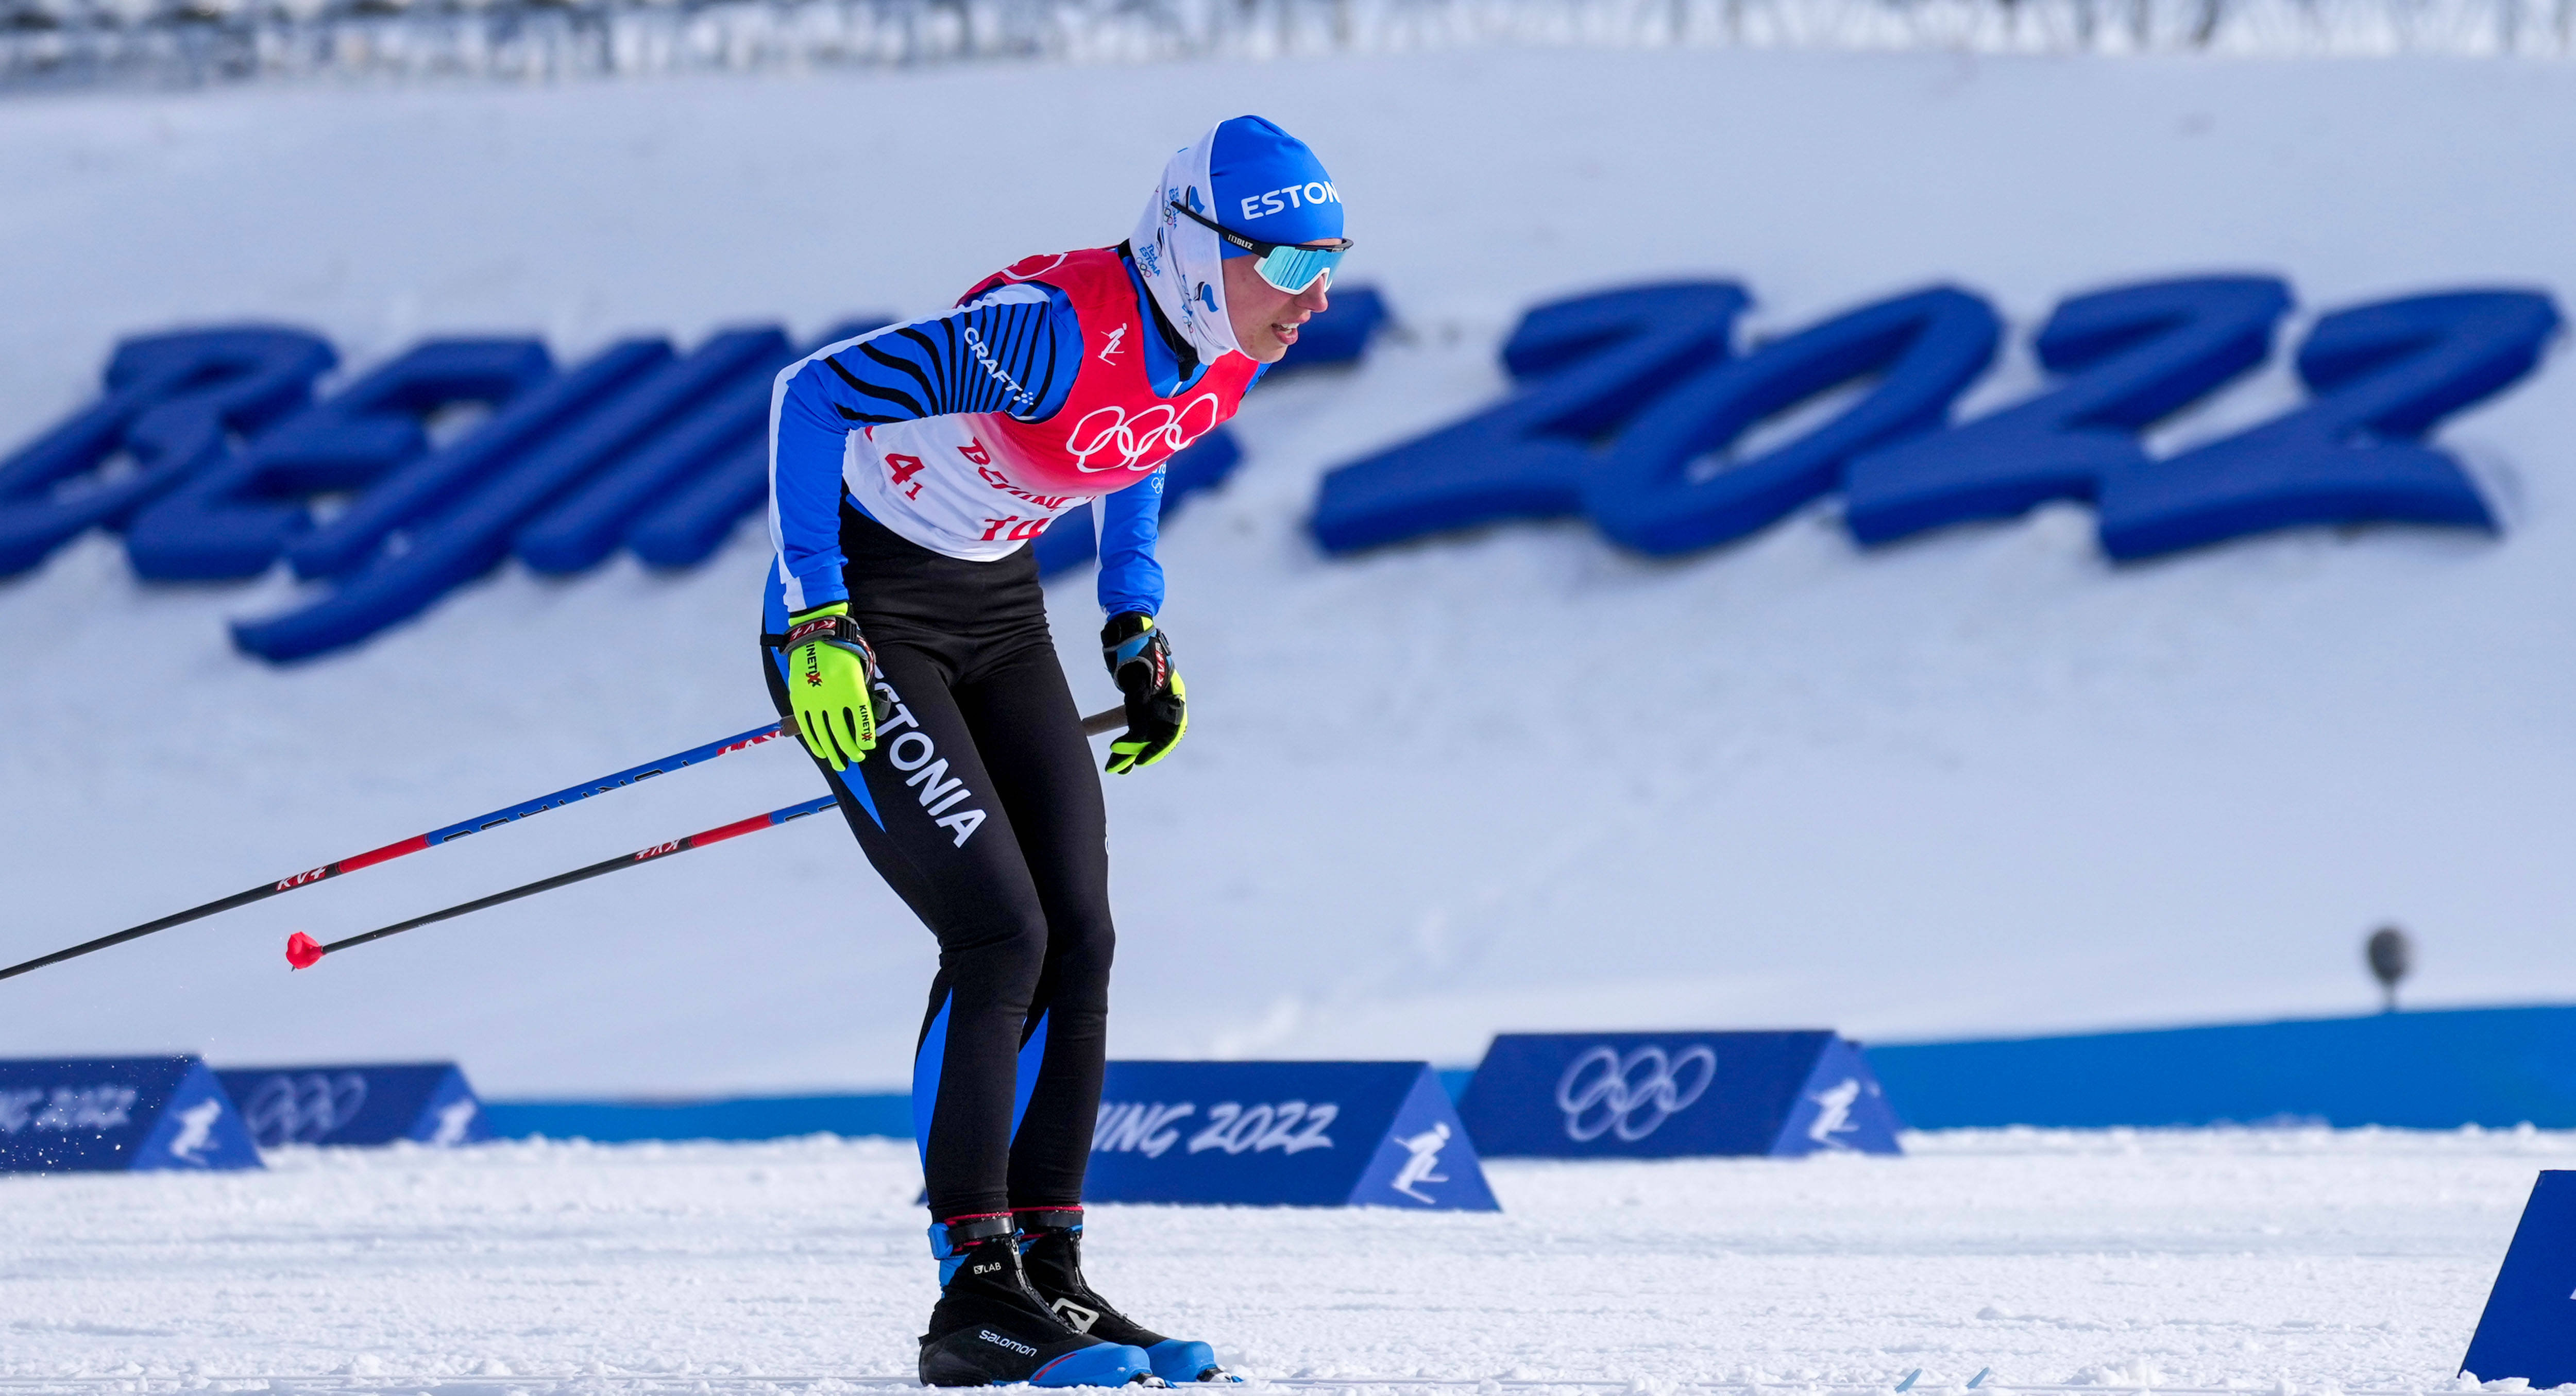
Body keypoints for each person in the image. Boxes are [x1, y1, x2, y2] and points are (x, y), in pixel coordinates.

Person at [758, 116, 1352, 1389]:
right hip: (862, 603)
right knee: (998, 933)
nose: (1314, 296)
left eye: (1330, 262)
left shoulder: (1228, 346)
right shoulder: (1051, 331)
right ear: (1201, 249)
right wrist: (815, 616)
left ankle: (1050, 1270)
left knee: (1081, 930)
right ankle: (971, 1294)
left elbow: (1144, 443)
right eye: (1291, 265)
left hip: (996, 606)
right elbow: (807, 398)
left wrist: (1130, 616)